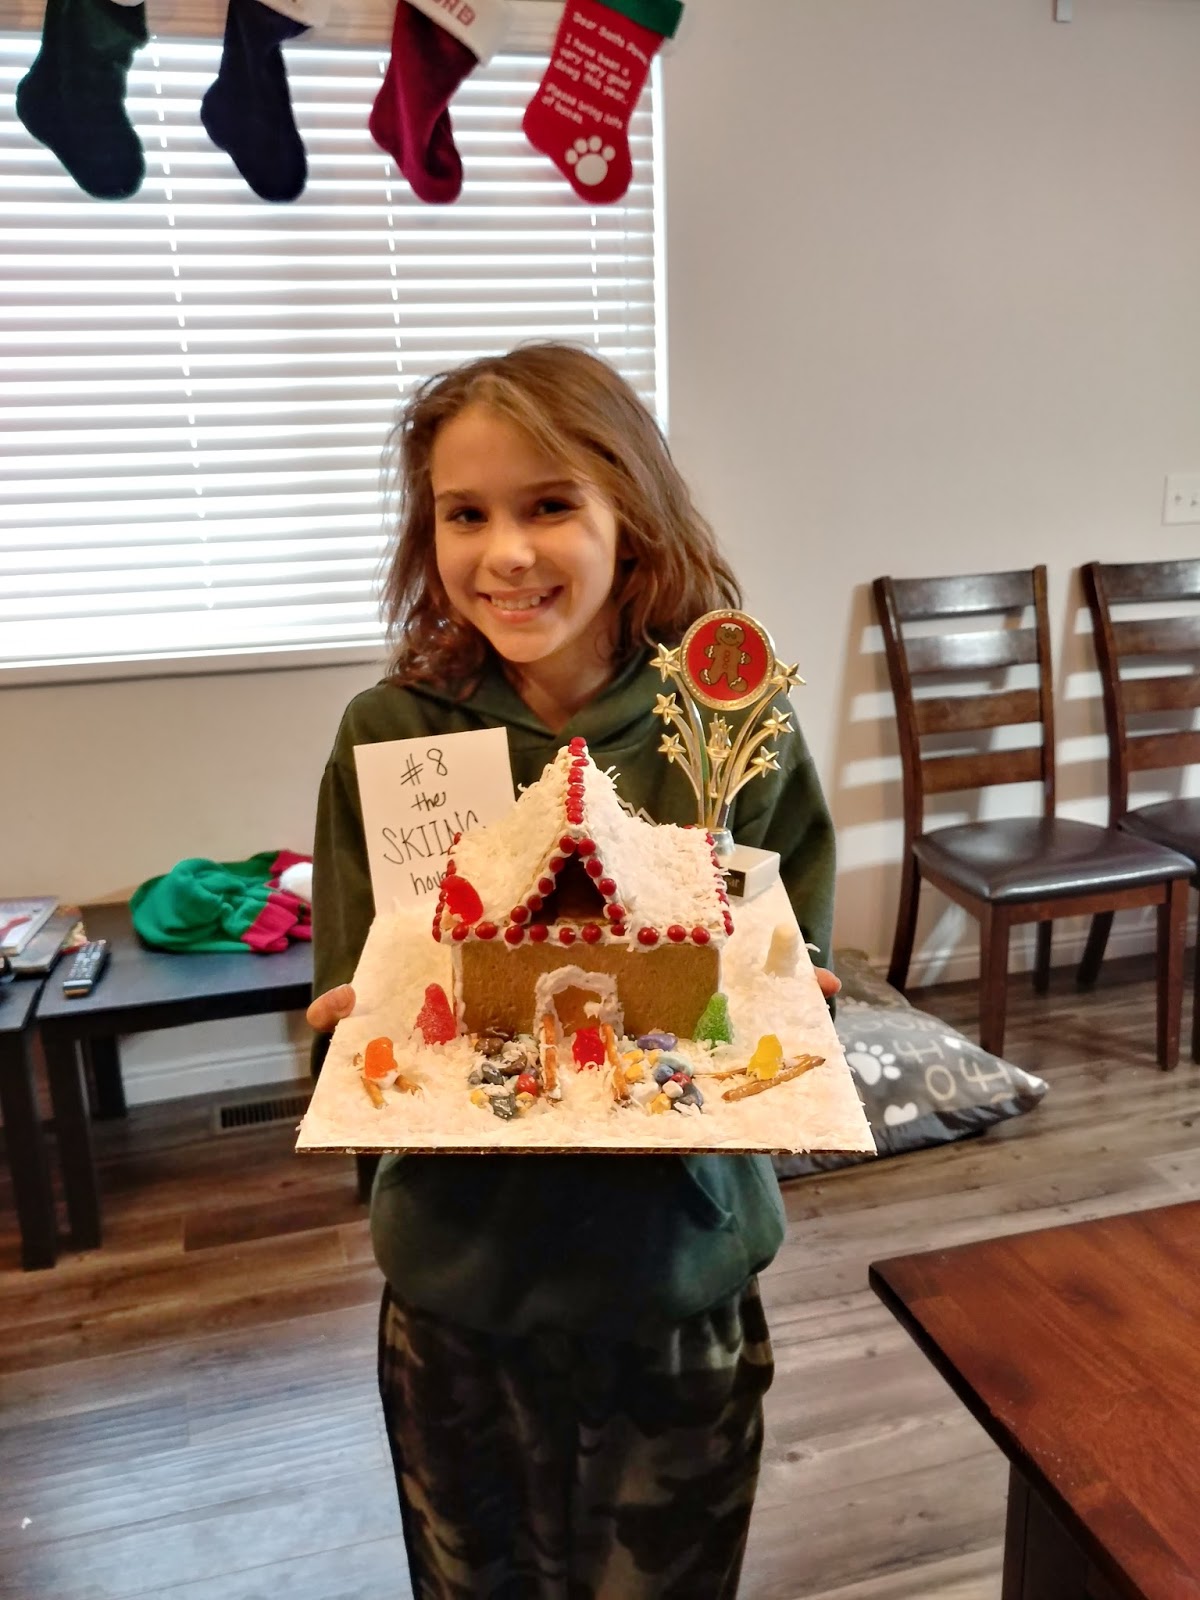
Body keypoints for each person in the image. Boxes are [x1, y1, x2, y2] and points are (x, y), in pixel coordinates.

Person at [307, 342, 839, 1599]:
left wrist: (790, 997)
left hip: (673, 1280)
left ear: (631, 519)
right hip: (459, 1287)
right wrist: (356, 1020)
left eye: (551, 505)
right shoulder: (391, 734)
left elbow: (786, 942)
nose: (508, 552)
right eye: (465, 513)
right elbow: (358, 981)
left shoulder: (722, 720)